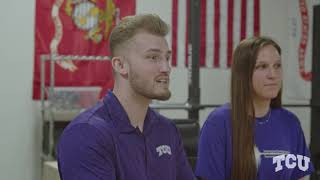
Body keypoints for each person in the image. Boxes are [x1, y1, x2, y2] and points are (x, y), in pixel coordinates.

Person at [57, 14, 195, 180]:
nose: (166, 67)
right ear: (120, 65)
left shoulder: (167, 130)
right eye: (153, 57)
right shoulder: (86, 133)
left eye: (167, 57)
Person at [195, 36, 314, 180]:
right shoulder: (218, 124)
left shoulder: (290, 122)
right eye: (262, 66)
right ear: (244, 74)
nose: (273, 75)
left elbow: (301, 176)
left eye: (277, 66)